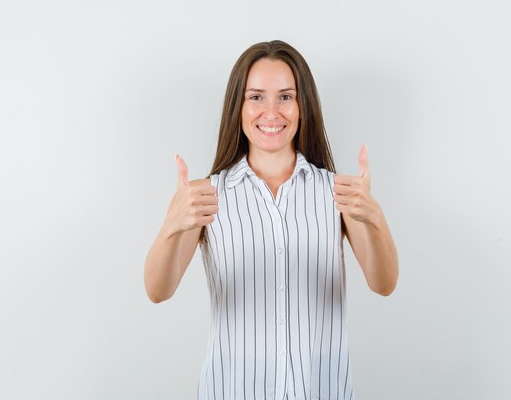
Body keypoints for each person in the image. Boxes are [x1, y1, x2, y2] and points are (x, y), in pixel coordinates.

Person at [144, 40, 398, 400]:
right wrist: (172, 226)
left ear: (302, 105)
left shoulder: (339, 192)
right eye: (256, 97)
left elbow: (384, 283)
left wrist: (375, 218)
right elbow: (158, 291)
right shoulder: (205, 195)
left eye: (285, 96)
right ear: (239, 106)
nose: (271, 112)